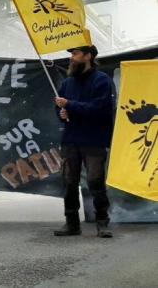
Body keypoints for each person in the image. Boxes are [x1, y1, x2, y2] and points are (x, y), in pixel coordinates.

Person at [53, 45, 115, 238]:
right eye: (71, 54)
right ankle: (71, 224)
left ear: (88, 56)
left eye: (76, 54)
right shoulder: (68, 83)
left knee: (95, 182)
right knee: (69, 182)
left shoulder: (102, 81)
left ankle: (102, 224)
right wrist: (62, 113)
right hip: (70, 140)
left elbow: (100, 109)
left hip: (94, 141)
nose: (72, 58)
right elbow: (60, 110)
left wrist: (70, 105)